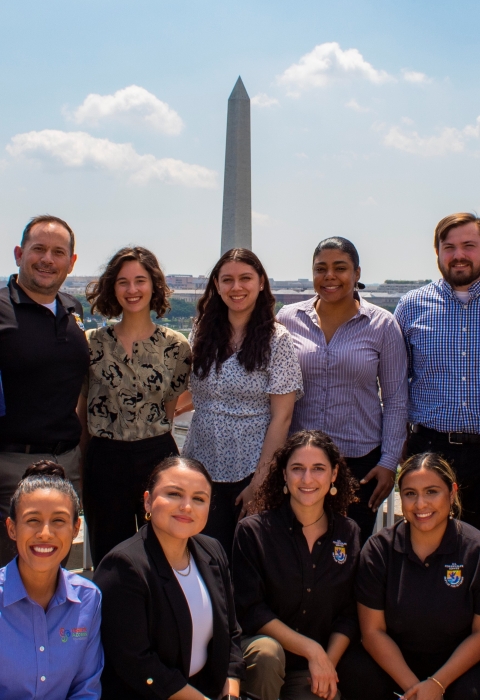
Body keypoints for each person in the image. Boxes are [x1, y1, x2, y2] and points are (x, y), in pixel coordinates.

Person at [277, 237, 408, 543]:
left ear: (357, 273)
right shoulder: (287, 319)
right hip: (299, 461)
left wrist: (388, 463)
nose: (329, 276)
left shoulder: (382, 325)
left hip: (359, 460)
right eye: (321, 268)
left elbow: (396, 399)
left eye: (340, 268)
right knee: (296, 551)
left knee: (347, 554)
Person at [179, 248, 303, 557]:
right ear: (216, 286)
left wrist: (260, 482)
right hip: (200, 466)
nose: (236, 288)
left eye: (245, 278)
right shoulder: (201, 331)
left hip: (248, 471)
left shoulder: (277, 340)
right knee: (199, 557)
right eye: (228, 280)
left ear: (261, 283)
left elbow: (282, 417)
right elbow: (194, 394)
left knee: (243, 563)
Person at [94, 455, 245, 700]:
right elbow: (137, 664)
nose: (187, 506)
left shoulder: (213, 551)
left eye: (199, 499)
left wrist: (231, 695)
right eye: (174, 494)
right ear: (148, 501)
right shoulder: (123, 567)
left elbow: (231, 635)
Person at [79, 247, 191, 567]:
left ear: (154, 285)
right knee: (109, 558)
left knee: (162, 556)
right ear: (112, 288)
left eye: (140, 281)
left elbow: (169, 409)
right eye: (123, 282)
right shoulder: (92, 343)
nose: (132, 290)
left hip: (156, 457)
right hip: (104, 460)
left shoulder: (175, 346)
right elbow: (83, 409)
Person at [232, 430, 361, 700]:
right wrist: (311, 649)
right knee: (268, 654)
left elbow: (349, 614)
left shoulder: (349, 533)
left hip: (314, 668)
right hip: (261, 662)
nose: (307, 479)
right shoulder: (252, 531)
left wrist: (325, 662)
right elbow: (252, 610)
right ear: (284, 474)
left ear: (334, 474)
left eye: (318, 469)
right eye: (297, 469)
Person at [0, 215, 89, 566]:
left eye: (58, 252)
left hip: (66, 464)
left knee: (55, 570)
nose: (47, 259)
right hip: (10, 466)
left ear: (71, 261)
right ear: (19, 253)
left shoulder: (72, 309)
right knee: (11, 577)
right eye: (38, 249)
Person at [355, 452, 480, 700]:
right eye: (410, 494)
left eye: (432, 491)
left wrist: (436, 684)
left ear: (452, 493)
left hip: (457, 669)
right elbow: (372, 632)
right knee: (355, 674)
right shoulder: (378, 549)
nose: (420, 504)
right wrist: (416, 690)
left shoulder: (475, 549)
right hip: (397, 667)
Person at [395, 212, 480, 530]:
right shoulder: (411, 306)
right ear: (438, 252)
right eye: (449, 247)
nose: (459, 255)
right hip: (431, 452)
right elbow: (395, 384)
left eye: (469, 245)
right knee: (430, 550)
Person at [0, 461, 103, 699]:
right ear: (12, 528)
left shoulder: (89, 598)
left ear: (76, 528)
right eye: (33, 520)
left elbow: (86, 688)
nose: (45, 533)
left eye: (58, 521)